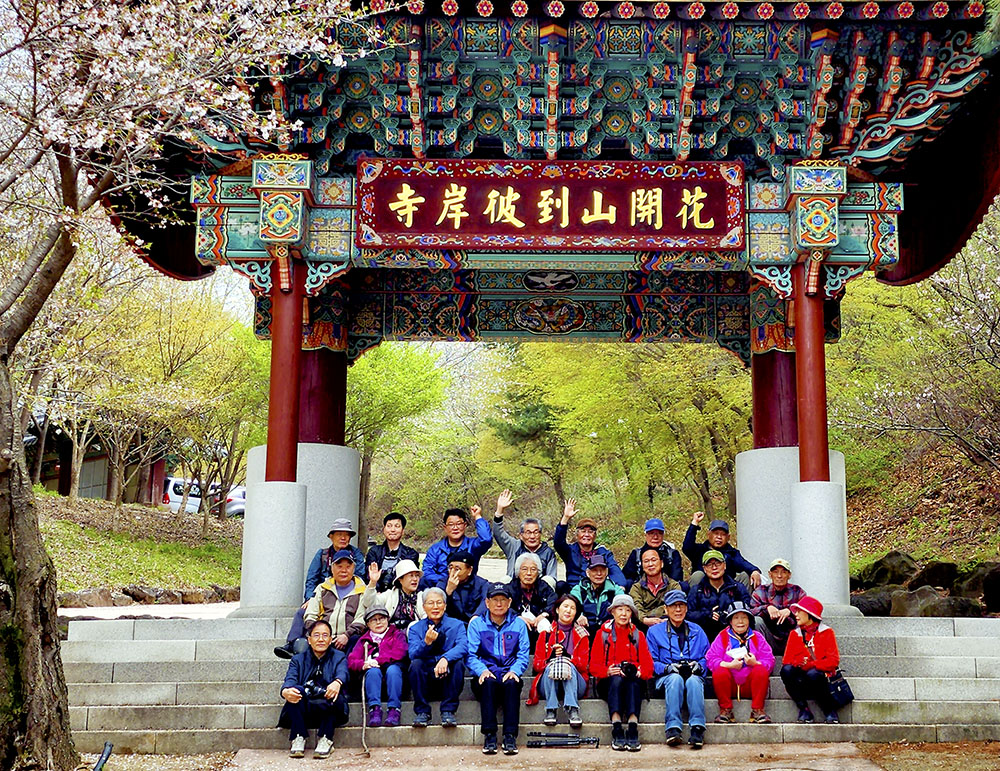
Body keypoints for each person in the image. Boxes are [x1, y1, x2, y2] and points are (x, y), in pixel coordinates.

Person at [467, 583, 531, 756]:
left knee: (512, 683)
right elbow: (471, 655)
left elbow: (523, 655)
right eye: (495, 600)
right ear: (487, 603)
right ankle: (489, 735)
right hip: (486, 674)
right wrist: (482, 670)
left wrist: (515, 671)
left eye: (503, 599)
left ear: (509, 602)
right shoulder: (477, 624)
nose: (499, 604)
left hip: (508, 672)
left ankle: (510, 736)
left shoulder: (518, 624)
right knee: (487, 683)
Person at [589, 594, 653, 752]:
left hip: (632, 682)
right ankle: (616, 726)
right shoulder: (602, 634)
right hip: (609, 682)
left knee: (632, 682)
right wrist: (608, 671)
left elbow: (648, 666)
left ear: (632, 614)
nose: (623, 614)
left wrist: (637, 671)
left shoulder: (638, 635)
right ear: (612, 612)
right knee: (617, 679)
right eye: (619, 609)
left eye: (627, 610)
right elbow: (593, 666)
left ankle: (632, 726)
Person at [647, 589, 710, 750]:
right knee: (675, 679)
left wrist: (699, 666)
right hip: (666, 678)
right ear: (665, 609)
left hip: (693, 676)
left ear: (687, 608)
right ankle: (673, 728)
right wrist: (667, 668)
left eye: (681, 605)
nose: (678, 610)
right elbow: (650, 661)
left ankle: (697, 728)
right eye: (673, 606)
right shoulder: (654, 632)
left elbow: (707, 656)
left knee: (694, 682)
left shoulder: (697, 630)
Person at [278, 620, 349, 759]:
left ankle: (326, 738)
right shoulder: (298, 659)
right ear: (309, 640)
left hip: (329, 708)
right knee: (296, 690)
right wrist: (285, 691)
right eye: (316, 635)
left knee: (334, 693)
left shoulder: (339, 656)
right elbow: (290, 679)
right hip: (304, 709)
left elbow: (343, 673)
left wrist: (337, 682)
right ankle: (298, 736)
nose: (321, 639)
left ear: (330, 640)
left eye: (325, 635)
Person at [407, 587, 468, 728]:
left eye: (439, 602)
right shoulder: (416, 628)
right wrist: (426, 643)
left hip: (447, 676)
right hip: (426, 677)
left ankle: (448, 711)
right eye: (430, 603)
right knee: (416, 664)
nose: (435, 607)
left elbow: (463, 646)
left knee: (458, 664)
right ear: (424, 607)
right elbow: (412, 653)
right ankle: (422, 712)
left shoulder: (457, 625)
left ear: (445, 606)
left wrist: (445, 658)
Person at [706, 601, 775, 724]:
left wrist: (755, 663)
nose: (740, 621)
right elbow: (711, 658)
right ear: (730, 621)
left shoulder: (757, 637)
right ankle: (726, 710)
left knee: (760, 670)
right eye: (736, 618)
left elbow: (769, 660)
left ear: (749, 620)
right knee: (719, 671)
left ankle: (757, 710)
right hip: (730, 685)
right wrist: (729, 665)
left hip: (750, 685)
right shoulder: (723, 636)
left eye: (744, 617)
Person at [526, 594, 589, 728]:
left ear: (576, 613)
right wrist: (550, 658)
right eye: (565, 606)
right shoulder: (546, 633)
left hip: (575, 684)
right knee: (553, 664)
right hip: (549, 683)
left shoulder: (582, 635)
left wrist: (569, 658)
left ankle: (572, 708)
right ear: (557, 609)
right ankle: (551, 709)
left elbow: (584, 665)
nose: (568, 611)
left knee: (567, 664)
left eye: (572, 608)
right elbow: (537, 665)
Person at [781, 596, 842, 724]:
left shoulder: (826, 632)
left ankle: (829, 710)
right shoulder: (795, 634)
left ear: (810, 614)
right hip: (801, 679)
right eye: (796, 611)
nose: (796, 615)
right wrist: (798, 662)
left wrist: (812, 664)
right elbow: (787, 660)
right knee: (786, 670)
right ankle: (804, 709)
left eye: (799, 611)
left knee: (813, 673)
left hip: (820, 679)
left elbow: (833, 661)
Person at [347, 606, 407, 728]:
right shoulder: (364, 640)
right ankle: (374, 710)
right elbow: (351, 661)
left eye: (382, 618)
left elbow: (400, 652)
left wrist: (377, 660)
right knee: (373, 671)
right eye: (374, 620)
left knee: (393, 670)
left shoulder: (397, 635)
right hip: (373, 678)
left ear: (388, 620)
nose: (378, 622)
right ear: (368, 624)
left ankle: (394, 709)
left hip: (393, 674)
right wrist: (364, 664)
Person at [300, 550, 369, 654]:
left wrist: (346, 635)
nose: (344, 570)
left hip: (349, 640)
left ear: (354, 568)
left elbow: (361, 619)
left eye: (348, 567)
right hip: (323, 639)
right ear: (332, 568)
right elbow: (310, 615)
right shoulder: (322, 589)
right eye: (339, 566)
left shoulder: (362, 590)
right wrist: (321, 635)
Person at [491, 489, 559, 588]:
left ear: (540, 534)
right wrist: (499, 510)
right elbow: (498, 533)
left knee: (549, 580)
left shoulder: (548, 552)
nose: (532, 536)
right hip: (515, 589)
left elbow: (552, 578)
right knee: (505, 580)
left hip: (539, 591)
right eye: (528, 533)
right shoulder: (514, 547)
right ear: (521, 535)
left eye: (536, 532)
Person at [554, 498, 626, 590]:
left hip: (596, 591)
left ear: (595, 535)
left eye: (590, 532)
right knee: (560, 586)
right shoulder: (570, 551)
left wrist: (620, 586)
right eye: (583, 531)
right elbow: (558, 543)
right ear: (577, 534)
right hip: (574, 590)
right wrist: (565, 518)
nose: (586, 535)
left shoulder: (603, 552)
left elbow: (614, 570)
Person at [682, 511, 762, 589]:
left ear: (728, 537)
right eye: (716, 533)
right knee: (698, 575)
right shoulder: (699, 550)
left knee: (745, 575)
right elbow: (687, 547)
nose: (719, 537)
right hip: (704, 592)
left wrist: (754, 571)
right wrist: (695, 523)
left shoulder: (731, 553)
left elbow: (743, 564)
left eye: (723, 534)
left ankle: (744, 598)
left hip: (727, 590)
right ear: (708, 534)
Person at [686, 550, 752, 641]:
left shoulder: (737, 588)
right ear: (704, 569)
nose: (714, 567)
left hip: (734, 635)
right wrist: (707, 615)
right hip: (705, 636)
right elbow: (688, 614)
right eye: (709, 564)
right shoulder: (697, 590)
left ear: (724, 565)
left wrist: (730, 614)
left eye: (718, 563)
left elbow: (748, 610)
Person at [421, 506, 493, 588]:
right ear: (445, 527)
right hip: (442, 589)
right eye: (451, 524)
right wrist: (448, 581)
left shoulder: (473, 546)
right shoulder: (435, 549)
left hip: (468, 589)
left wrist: (477, 516)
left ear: (465, 525)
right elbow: (427, 573)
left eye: (459, 524)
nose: (455, 528)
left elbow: (486, 539)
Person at [750, 558, 807, 653]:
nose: (779, 576)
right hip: (769, 638)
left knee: (804, 621)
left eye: (784, 572)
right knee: (756, 621)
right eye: (776, 572)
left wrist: (791, 611)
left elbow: (808, 612)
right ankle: (761, 655)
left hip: (791, 638)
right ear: (770, 574)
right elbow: (750, 612)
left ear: (789, 575)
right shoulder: (760, 591)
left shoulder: (797, 591)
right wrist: (766, 608)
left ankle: (800, 655)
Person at [360, 559, 425, 631]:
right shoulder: (390, 595)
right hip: (390, 634)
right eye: (411, 575)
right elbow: (369, 604)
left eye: (417, 575)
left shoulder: (422, 597)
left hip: (414, 634)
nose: (415, 579)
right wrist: (373, 582)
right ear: (400, 579)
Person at [304, 519, 366, 592]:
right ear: (331, 536)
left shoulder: (356, 554)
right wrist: (312, 597)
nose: (343, 538)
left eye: (347, 535)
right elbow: (311, 580)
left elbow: (360, 577)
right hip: (323, 594)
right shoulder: (322, 555)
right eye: (339, 534)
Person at [365, 512, 421, 592]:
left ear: (403, 531)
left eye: (397, 526)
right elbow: (368, 576)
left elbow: (410, 579)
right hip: (377, 594)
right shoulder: (374, 552)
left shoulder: (411, 554)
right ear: (384, 529)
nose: (393, 530)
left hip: (400, 594)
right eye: (389, 526)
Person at [507, 552, 556, 643]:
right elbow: (504, 607)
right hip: (518, 626)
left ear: (538, 572)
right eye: (524, 569)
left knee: (545, 625)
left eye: (533, 569)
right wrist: (517, 616)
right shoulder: (511, 588)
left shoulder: (543, 586)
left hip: (538, 625)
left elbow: (554, 601)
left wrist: (544, 614)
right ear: (518, 572)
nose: (529, 573)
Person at [629, 546, 681, 629]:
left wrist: (651, 614)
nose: (650, 564)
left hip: (669, 624)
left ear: (661, 563)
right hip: (644, 626)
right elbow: (636, 608)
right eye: (646, 561)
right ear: (642, 566)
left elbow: (675, 606)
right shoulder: (636, 588)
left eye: (653, 560)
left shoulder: (673, 585)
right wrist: (645, 620)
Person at [569, 553, 624, 633]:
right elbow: (571, 606)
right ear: (588, 573)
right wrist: (578, 616)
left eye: (602, 570)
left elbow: (623, 607)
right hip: (585, 629)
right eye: (594, 570)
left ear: (607, 572)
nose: (599, 574)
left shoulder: (615, 590)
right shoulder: (578, 590)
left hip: (609, 630)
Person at [623, 518, 683, 587]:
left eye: (659, 533)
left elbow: (676, 578)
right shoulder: (636, 554)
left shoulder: (672, 554)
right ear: (645, 535)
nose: (655, 537)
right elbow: (626, 576)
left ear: (663, 535)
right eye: (651, 533)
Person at [438, 550, 489, 624]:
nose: (452, 572)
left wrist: (476, 616)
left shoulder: (481, 584)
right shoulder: (443, 583)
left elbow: (486, 601)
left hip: (474, 623)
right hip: (451, 624)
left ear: (469, 570)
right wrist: (448, 591)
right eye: (450, 568)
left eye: (457, 569)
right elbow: (437, 605)